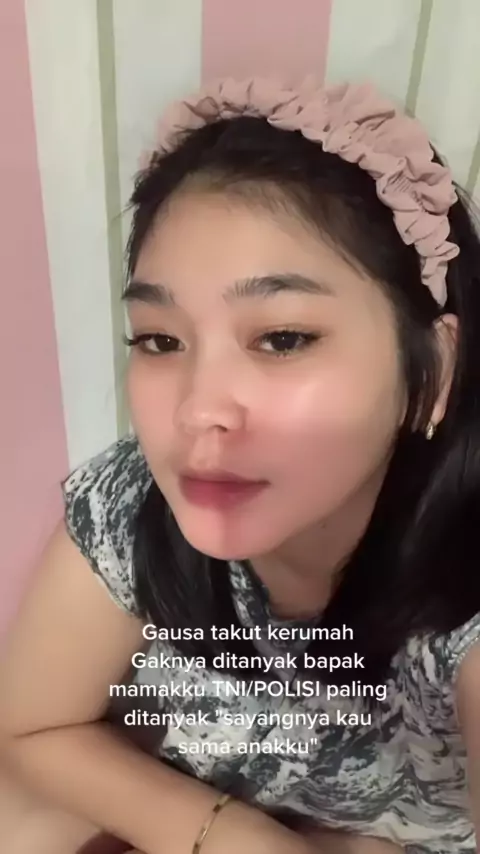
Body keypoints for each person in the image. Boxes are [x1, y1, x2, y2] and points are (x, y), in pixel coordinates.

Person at [1, 76, 480, 854]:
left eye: (283, 338)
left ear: (435, 365)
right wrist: (233, 838)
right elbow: (34, 726)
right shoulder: (131, 503)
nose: (197, 411)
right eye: (160, 339)